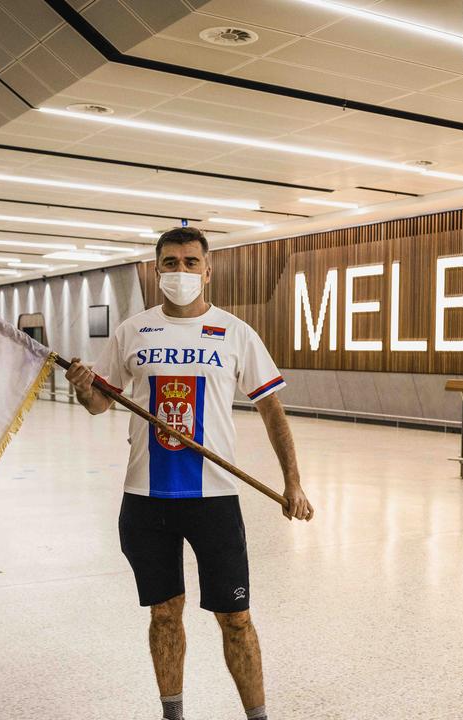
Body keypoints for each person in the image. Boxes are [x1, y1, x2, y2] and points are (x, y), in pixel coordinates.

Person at [65, 226, 313, 720]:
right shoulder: (132, 331)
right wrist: (83, 387)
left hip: (214, 499)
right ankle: (172, 714)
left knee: (236, 618)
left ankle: (257, 716)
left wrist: (293, 481)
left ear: (208, 269)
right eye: (171, 263)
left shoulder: (236, 332)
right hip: (146, 498)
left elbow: (271, 410)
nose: (181, 271)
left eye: (190, 262)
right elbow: (99, 404)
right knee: (164, 613)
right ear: (157, 270)